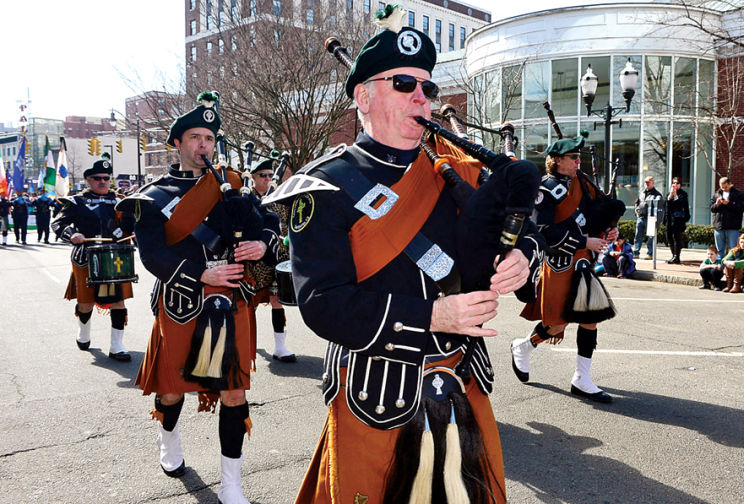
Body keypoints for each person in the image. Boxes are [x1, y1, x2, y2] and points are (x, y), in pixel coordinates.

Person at [267, 9, 541, 502]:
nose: (421, 96)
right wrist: (433, 315)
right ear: (362, 97)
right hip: (377, 392)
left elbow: (524, 229)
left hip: (462, 380)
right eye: (402, 83)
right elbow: (323, 304)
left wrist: (522, 255)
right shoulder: (324, 186)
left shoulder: (461, 170)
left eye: (427, 87)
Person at [116, 91, 280, 504]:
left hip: (231, 298)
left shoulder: (232, 186)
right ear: (178, 143)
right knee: (172, 391)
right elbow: (152, 254)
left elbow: (267, 225)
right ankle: (168, 437)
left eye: (208, 137)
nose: (203, 145)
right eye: (194, 137)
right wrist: (200, 272)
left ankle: (232, 485)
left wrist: (261, 245)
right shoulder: (153, 196)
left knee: (234, 392)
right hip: (182, 301)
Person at [514, 134, 624, 404]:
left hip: (584, 261)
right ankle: (523, 346)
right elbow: (543, 230)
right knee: (557, 323)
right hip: (559, 263)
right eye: (573, 158)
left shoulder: (583, 181)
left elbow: (599, 210)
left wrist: (610, 229)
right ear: (557, 161)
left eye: (578, 157)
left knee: (590, 317)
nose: (578, 162)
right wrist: (585, 240)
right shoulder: (545, 190)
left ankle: (581, 378)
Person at [51, 160, 135, 361]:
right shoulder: (77, 202)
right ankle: (83, 332)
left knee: (118, 301)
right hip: (85, 257)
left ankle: (116, 347)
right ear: (88, 180)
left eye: (106, 178)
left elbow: (130, 225)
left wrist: (133, 232)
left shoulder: (120, 201)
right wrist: (71, 234)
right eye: (97, 178)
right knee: (86, 302)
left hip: (115, 257)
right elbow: (58, 223)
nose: (102, 181)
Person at [249, 156, 296, 362]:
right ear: (253, 177)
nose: (268, 178)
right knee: (249, 304)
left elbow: (286, 226)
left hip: (276, 257)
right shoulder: (245, 198)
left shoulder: (278, 199)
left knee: (277, 300)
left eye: (270, 175)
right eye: (263, 175)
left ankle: (280, 346)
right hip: (251, 261)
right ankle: (247, 344)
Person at [711, 176, 744, 261]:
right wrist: (717, 204)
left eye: (725, 187)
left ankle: (730, 270)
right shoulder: (717, 194)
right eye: (722, 187)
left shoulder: (738, 194)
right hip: (719, 226)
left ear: (730, 184)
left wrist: (729, 203)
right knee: (720, 251)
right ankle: (720, 269)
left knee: (733, 249)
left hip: (733, 226)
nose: (724, 189)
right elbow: (712, 208)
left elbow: (742, 208)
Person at [633, 176, 662, 260]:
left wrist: (655, 218)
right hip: (640, 217)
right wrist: (636, 212)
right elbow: (637, 203)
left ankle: (650, 254)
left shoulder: (657, 194)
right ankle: (636, 253)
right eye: (645, 182)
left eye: (648, 182)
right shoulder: (642, 193)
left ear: (653, 183)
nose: (646, 184)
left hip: (650, 219)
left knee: (650, 237)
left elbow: (659, 206)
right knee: (638, 236)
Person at [664, 177, 690, 264]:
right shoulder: (669, 194)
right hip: (669, 219)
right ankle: (673, 255)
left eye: (677, 183)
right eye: (673, 183)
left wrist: (675, 196)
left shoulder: (683, 194)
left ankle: (677, 257)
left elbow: (681, 205)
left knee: (676, 238)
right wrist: (670, 197)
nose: (675, 185)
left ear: (680, 184)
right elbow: (666, 206)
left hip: (678, 220)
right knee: (669, 237)